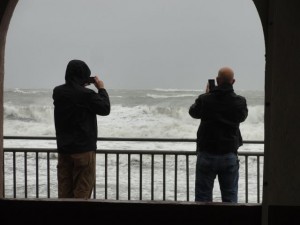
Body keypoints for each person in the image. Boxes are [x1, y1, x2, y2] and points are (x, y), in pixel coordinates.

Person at [53, 59, 111, 199]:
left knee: (64, 194)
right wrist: (101, 89)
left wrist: (81, 85)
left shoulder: (58, 92)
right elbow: (105, 108)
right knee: (82, 194)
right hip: (83, 151)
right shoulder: (87, 95)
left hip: (64, 150)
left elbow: (73, 98)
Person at [189, 67, 248, 203]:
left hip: (206, 154)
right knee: (230, 198)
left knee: (203, 198)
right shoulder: (239, 101)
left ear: (217, 80)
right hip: (229, 154)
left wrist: (207, 94)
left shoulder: (205, 99)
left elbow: (193, 112)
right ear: (233, 81)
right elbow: (242, 117)